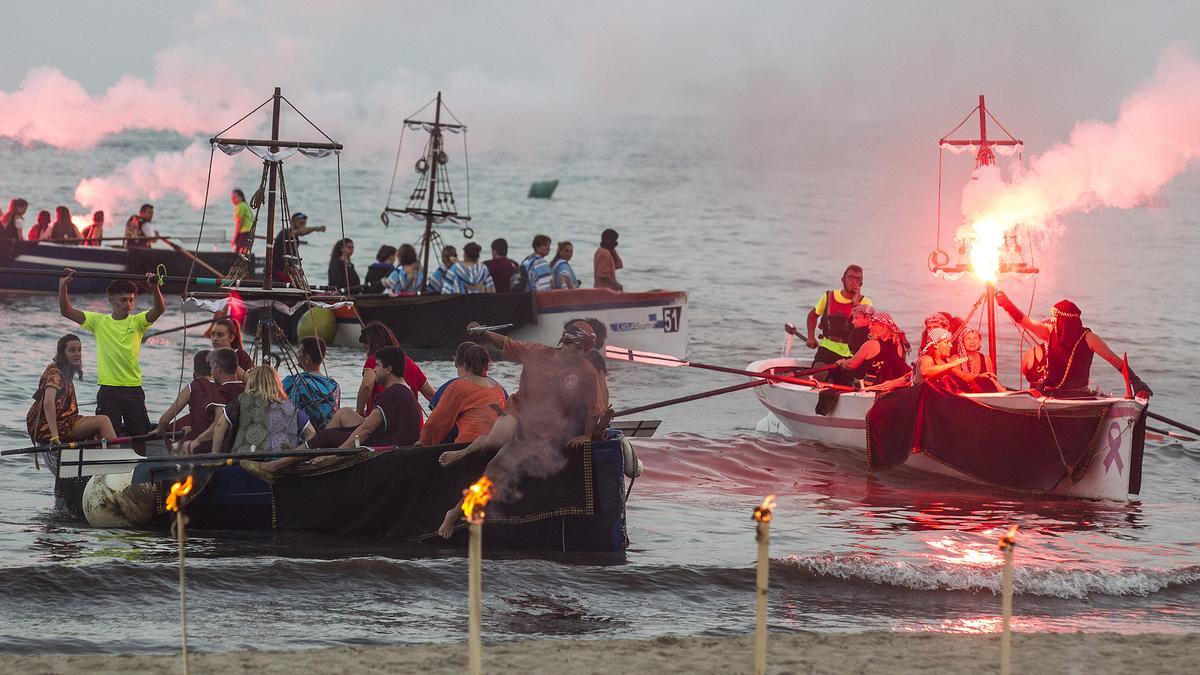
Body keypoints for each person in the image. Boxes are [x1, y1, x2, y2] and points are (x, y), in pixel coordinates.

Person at [436, 320, 610, 538]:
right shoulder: (537, 352)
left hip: (540, 433)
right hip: (517, 410)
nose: (581, 353)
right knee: (494, 439)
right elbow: (507, 344)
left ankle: (453, 513)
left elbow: (595, 408)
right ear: (566, 341)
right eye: (578, 347)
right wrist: (484, 332)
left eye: (585, 350)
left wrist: (586, 434)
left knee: (495, 468)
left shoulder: (586, 371)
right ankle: (464, 452)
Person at [59, 269, 165, 452]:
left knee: (140, 435)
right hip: (109, 390)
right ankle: (109, 472)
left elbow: (159, 309)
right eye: (123, 300)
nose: (128, 304)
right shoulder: (98, 321)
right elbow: (66, 311)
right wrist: (63, 286)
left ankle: (137, 471)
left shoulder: (138, 322)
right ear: (111, 299)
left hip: (133, 389)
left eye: (131, 300)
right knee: (106, 439)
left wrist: (155, 288)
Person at [995, 292, 1152, 398]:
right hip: (1050, 394)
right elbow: (1025, 321)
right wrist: (1007, 303)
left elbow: (1118, 363)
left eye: (1055, 317)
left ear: (1065, 321)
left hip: (1078, 396)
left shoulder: (1090, 339)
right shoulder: (1049, 332)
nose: (1052, 320)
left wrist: (1138, 384)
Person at [297, 346, 423, 469]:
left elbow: (366, 429)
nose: (374, 369)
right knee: (344, 413)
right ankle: (313, 451)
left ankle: (297, 457)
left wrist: (335, 455)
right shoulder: (405, 389)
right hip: (390, 439)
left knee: (326, 437)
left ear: (388, 369)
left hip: (387, 450)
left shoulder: (392, 393)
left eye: (377, 365)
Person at [26, 334, 118, 445]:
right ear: (62, 353)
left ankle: (102, 457)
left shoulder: (65, 371)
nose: (77, 354)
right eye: (72, 350)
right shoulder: (55, 373)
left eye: (79, 350)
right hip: (46, 428)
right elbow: (48, 403)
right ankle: (117, 457)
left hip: (64, 422)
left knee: (96, 432)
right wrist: (54, 436)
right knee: (103, 421)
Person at [210, 365, 316, 455]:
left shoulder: (240, 402)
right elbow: (311, 433)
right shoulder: (290, 409)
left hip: (244, 463)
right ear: (276, 384)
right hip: (280, 466)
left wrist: (215, 454)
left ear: (251, 382)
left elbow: (220, 425)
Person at [419, 343, 505, 446]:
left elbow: (436, 424)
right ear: (487, 365)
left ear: (460, 363)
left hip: (467, 447)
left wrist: (422, 443)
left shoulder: (457, 387)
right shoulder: (498, 387)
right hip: (497, 446)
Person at [356, 321, 435, 416]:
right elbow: (431, 395)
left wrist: (359, 412)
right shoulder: (408, 361)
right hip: (413, 424)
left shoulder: (375, 360)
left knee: (343, 415)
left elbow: (367, 385)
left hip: (381, 422)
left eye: (367, 348)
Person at [805, 265, 871, 374]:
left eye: (858, 279)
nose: (854, 281)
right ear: (843, 280)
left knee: (843, 384)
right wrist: (811, 337)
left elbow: (869, 328)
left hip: (851, 354)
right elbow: (812, 315)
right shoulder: (829, 296)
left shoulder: (866, 302)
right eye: (851, 277)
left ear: (861, 284)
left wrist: (855, 303)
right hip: (827, 349)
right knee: (819, 376)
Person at [178, 348, 246, 454]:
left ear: (218, 370)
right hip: (240, 446)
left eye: (212, 368)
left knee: (183, 447)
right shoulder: (245, 388)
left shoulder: (221, 392)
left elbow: (218, 424)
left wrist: (195, 442)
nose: (211, 372)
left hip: (222, 448)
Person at [151, 350, 220, 442]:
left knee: (168, 429)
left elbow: (165, 419)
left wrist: (159, 429)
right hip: (218, 433)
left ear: (195, 371)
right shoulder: (222, 387)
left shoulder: (191, 388)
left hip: (199, 436)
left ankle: (175, 453)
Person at [836, 311, 912, 391]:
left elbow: (851, 364)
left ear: (883, 326)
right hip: (896, 386)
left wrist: (842, 363)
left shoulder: (871, 344)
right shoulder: (899, 343)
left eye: (873, 324)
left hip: (873, 386)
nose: (869, 327)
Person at [282, 336, 341, 430]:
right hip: (327, 433)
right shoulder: (334, 385)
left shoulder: (295, 381)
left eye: (300, 351)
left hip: (301, 433)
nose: (296, 354)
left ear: (307, 358)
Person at [272, 212, 325, 283]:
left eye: (304, 224)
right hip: (277, 271)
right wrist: (316, 228)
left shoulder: (295, 238)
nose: (303, 226)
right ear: (293, 223)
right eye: (301, 223)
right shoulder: (286, 233)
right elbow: (300, 232)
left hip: (287, 270)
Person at [916, 327, 968, 393]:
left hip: (939, 397)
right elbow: (925, 372)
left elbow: (963, 376)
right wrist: (951, 365)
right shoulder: (926, 358)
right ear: (936, 345)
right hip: (922, 397)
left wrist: (978, 376)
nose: (951, 345)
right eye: (947, 342)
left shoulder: (946, 361)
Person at [953, 328, 1004, 393]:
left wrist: (1002, 391)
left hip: (983, 396)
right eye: (968, 338)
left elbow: (991, 381)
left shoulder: (986, 359)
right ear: (962, 342)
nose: (972, 341)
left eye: (975, 338)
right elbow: (963, 378)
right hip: (963, 396)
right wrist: (979, 376)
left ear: (979, 341)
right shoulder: (955, 359)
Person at [231, 189, 255, 255]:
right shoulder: (245, 205)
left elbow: (238, 222)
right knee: (243, 252)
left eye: (235, 197)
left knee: (239, 251)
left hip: (244, 232)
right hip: (250, 232)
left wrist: (234, 237)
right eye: (232, 198)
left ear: (241, 197)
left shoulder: (240, 206)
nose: (233, 199)